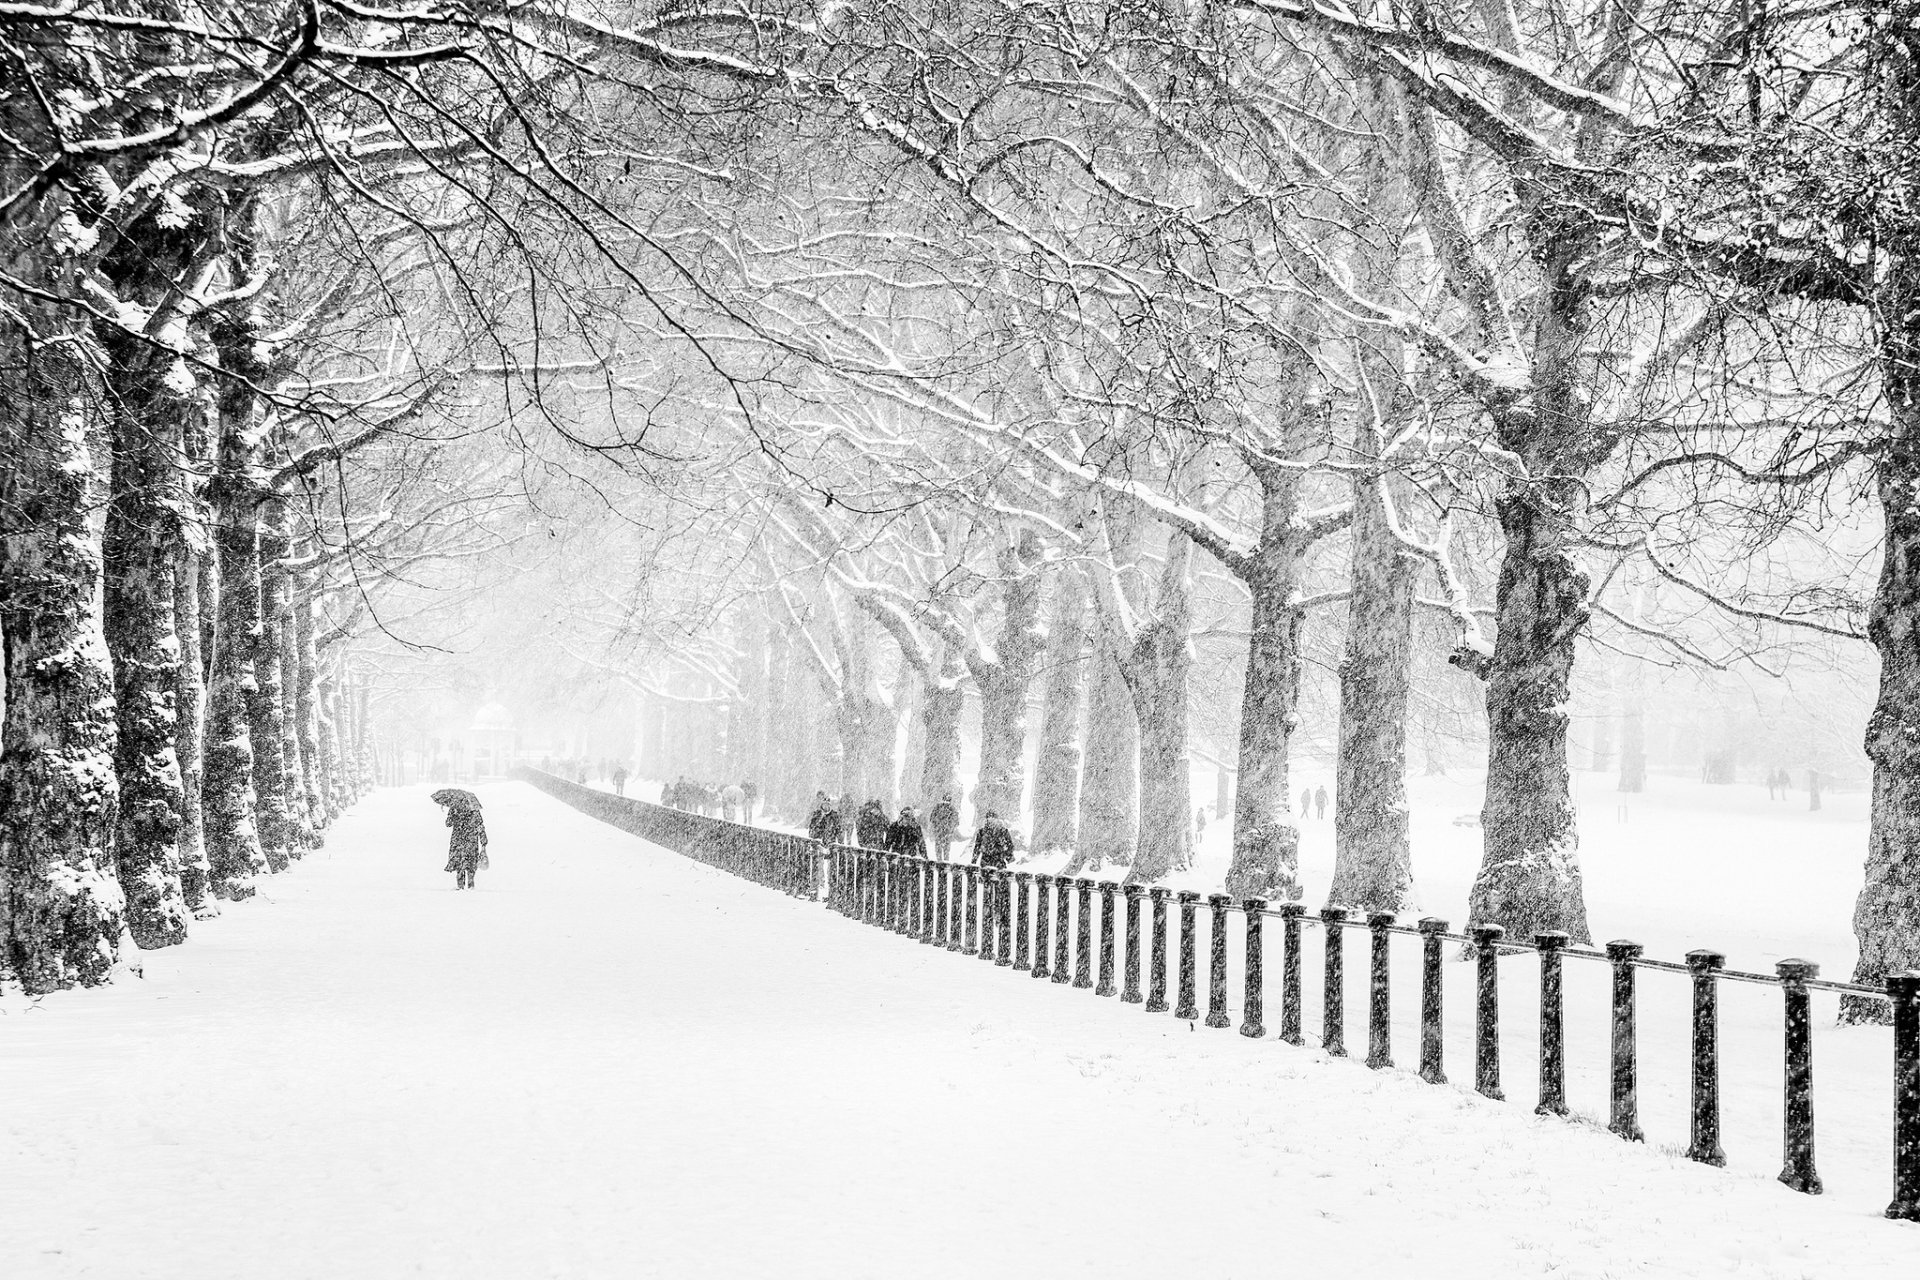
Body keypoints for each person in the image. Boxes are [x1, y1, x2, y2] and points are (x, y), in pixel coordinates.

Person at [444, 803, 488, 890]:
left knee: (460, 863)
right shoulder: (474, 808)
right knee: (470, 863)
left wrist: (454, 815)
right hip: (470, 840)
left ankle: (461, 886)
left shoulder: (454, 807)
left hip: (458, 840)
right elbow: (480, 825)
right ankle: (470, 885)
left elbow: (448, 823)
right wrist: (483, 840)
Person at [928, 794, 959, 861]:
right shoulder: (951, 808)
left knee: (941, 849)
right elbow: (956, 821)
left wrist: (938, 824)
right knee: (945, 850)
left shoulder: (938, 807)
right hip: (944, 831)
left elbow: (932, 818)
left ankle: (941, 862)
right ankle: (944, 862)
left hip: (941, 831)